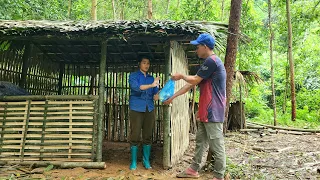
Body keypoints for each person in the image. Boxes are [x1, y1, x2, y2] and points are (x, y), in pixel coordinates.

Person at [164, 33, 226, 180]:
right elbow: (190, 84)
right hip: (206, 110)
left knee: (217, 145)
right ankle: (194, 169)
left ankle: (219, 176)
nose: (196, 50)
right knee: (200, 142)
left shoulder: (212, 61)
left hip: (213, 111)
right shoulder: (207, 63)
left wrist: (180, 76)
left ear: (205, 47)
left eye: (198, 47)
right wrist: (171, 98)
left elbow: (193, 79)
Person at [128, 56, 160, 170]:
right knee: (135, 134)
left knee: (147, 135)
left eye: (148, 63)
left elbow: (155, 93)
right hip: (136, 107)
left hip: (149, 108)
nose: (146, 65)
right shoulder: (133, 76)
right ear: (139, 64)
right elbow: (137, 88)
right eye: (144, 63)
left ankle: (146, 161)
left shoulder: (152, 78)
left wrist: (158, 95)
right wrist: (152, 85)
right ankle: (133, 162)